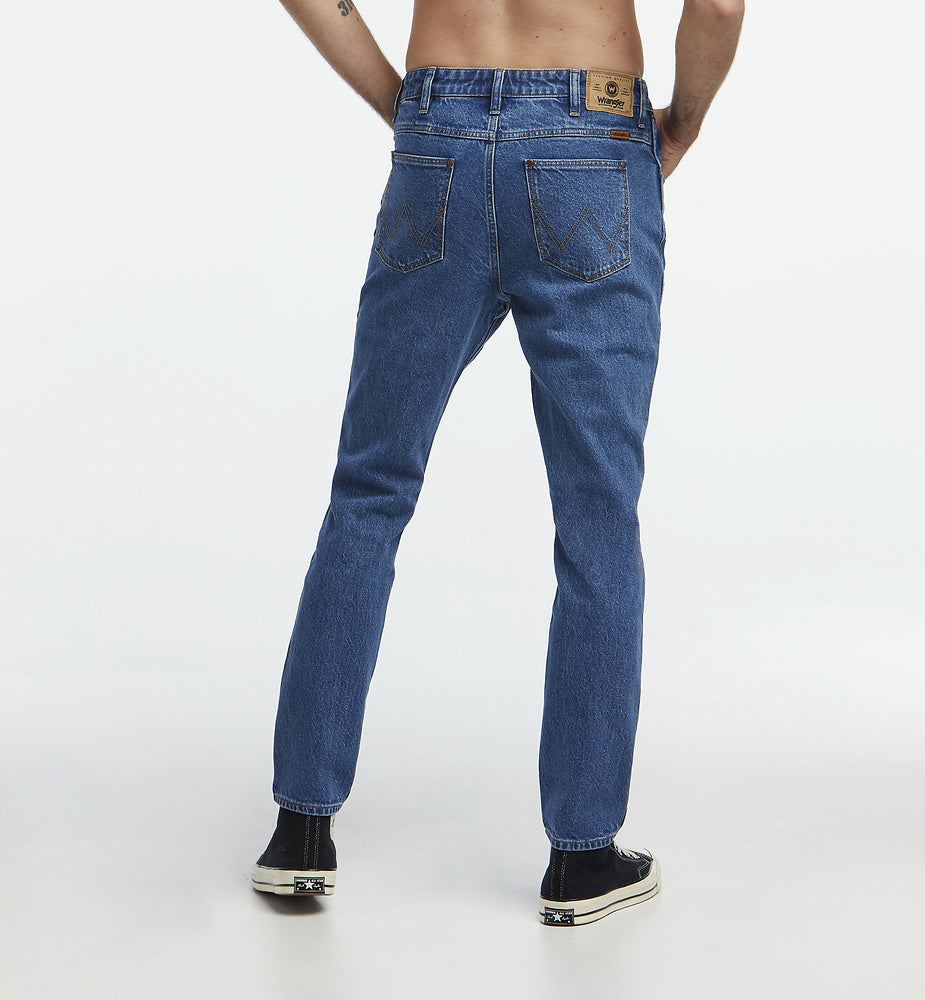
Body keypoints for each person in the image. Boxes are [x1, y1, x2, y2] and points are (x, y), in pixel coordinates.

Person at [250, 0, 744, 926]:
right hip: (591, 141)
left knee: (369, 491)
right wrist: (683, 121)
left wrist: (409, 103)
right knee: (597, 516)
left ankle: (300, 831)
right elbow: (717, 4)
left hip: (437, 133)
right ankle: (582, 857)